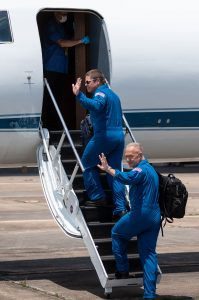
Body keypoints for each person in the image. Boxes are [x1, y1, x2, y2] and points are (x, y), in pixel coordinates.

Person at [98, 143, 161, 300]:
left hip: (141, 213)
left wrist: (108, 169)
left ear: (139, 155)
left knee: (117, 233)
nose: (128, 159)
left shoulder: (141, 169)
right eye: (126, 156)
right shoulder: (151, 169)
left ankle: (122, 270)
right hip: (154, 216)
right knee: (148, 255)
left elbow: (127, 178)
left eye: (131, 156)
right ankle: (149, 295)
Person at [72, 69, 127, 219]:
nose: (86, 85)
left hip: (104, 136)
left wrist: (79, 95)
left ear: (97, 82)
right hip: (118, 137)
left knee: (87, 163)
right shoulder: (114, 95)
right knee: (113, 171)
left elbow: (96, 106)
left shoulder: (100, 93)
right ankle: (121, 207)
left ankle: (98, 197)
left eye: (88, 82)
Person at [42, 11, 90, 129]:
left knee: (58, 98)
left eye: (66, 13)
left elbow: (67, 40)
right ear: (55, 13)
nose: (65, 16)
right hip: (51, 68)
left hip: (60, 68)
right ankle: (51, 127)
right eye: (62, 13)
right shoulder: (51, 25)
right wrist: (80, 41)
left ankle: (56, 126)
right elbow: (62, 43)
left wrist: (76, 37)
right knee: (52, 100)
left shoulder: (60, 26)